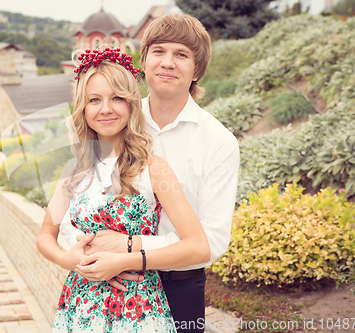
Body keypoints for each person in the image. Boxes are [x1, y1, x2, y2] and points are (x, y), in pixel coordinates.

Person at [61, 14, 240, 332]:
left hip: (180, 289)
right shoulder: (114, 116)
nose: (167, 62)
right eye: (159, 51)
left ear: (197, 69)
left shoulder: (218, 141)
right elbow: (79, 198)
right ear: (143, 61)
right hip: (104, 282)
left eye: (181, 54)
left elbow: (210, 242)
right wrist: (89, 251)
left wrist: (130, 249)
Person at [36, 49, 211, 332]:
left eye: (117, 98)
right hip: (82, 307)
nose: (106, 108)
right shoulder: (74, 171)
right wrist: (65, 259)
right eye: (95, 100)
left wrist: (125, 260)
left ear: (131, 105)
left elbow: (198, 247)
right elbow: (45, 234)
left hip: (137, 309)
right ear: (82, 108)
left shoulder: (154, 169)